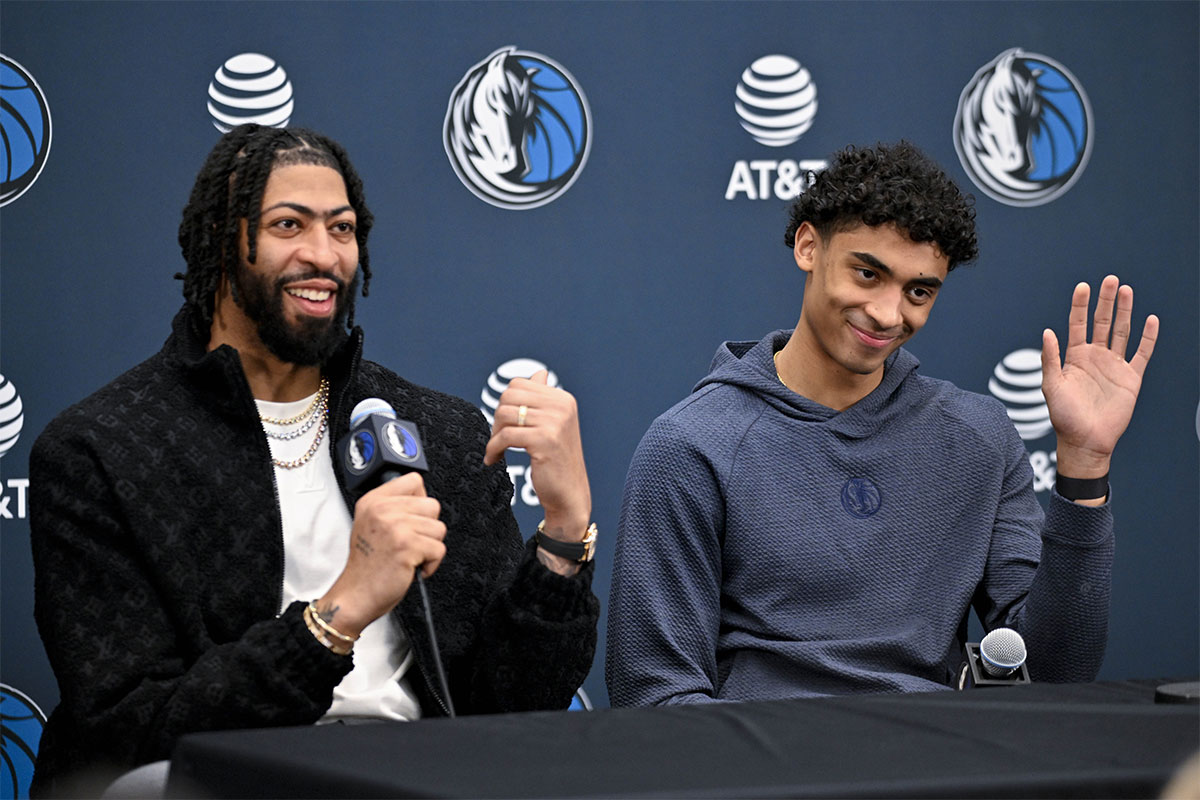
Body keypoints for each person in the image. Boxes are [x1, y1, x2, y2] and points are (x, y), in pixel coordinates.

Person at [29, 124, 600, 797]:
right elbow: (129, 736)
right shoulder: (102, 450)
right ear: (221, 241)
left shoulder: (438, 433)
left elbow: (515, 706)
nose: (323, 255)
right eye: (288, 225)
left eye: (342, 228)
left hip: (421, 779)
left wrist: (563, 532)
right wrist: (339, 612)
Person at [606, 142, 1158, 707]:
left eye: (918, 291)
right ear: (807, 246)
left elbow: (1053, 674)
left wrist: (1085, 465)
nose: (889, 314)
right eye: (868, 274)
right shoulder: (692, 445)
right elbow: (657, 699)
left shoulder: (979, 437)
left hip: (935, 768)